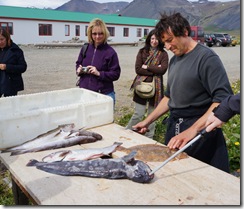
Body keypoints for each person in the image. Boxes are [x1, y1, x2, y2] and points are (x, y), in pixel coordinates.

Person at [132, 12, 233, 173]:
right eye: (164, 42)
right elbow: (169, 97)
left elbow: (222, 99)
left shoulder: (207, 58)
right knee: (176, 177)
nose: (167, 46)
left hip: (202, 132)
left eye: (170, 40)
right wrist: (147, 121)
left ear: (185, 32)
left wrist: (193, 130)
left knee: (202, 179)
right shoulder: (174, 60)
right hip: (175, 128)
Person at [126, 29, 169, 138]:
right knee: (138, 114)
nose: (154, 41)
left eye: (157, 39)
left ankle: (149, 137)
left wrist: (148, 67)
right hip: (141, 87)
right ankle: (128, 132)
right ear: (149, 39)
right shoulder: (142, 52)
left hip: (156, 89)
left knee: (152, 116)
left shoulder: (163, 54)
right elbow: (138, 69)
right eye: (152, 38)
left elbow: (163, 70)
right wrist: (156, 69)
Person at [76, 18, 121, 104]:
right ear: (90, 33)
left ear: (105, 33)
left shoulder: (110, 52)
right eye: (94, 33)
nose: (97, 36)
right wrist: (79, 69)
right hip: (85, 94)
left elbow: (116, 74)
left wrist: (99, 73)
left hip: (104, 95)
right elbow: (78, 63)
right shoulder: (85, 48)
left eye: (100, 33)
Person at [0, 28, 27, 97]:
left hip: (11, 83)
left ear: (7, 38)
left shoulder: (16, 50)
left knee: (10, 105)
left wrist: (7, 67)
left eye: (2, 39)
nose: (0, 42)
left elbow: (23, 67)